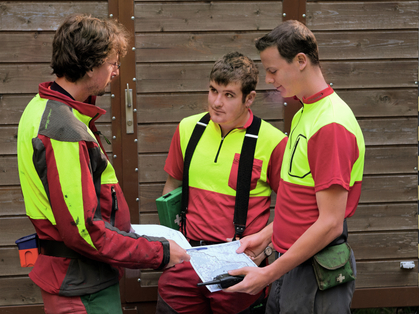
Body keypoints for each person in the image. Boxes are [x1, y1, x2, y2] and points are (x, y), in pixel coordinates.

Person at [17, 13, 189, 314]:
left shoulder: (41, 106)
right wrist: (158, 253)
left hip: (77, 277)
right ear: (89, 63)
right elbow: (83, 231)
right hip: (81, 288)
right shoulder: (62, 129)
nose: (116, 72)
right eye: (112, 63)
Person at [226, 20, 366, 314]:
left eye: (273, 70)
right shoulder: (306, 111)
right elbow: (305, 207)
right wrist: (266, 236)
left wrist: (267, 273)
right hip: (290, 264)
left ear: (301, 61)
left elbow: (329, 223)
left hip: (314, 271)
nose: (267, 80)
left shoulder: (331, 125)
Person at [155, 51, 288, 314]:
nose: (216, 102)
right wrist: (169, 249)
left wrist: (267, 246)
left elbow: (292, 207)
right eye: (213, 90)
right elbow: (171, 188)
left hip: (238, 266)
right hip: (186, 260)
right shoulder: (187, 128)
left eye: (228, 95)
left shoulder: (273, 141)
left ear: (249, 98)